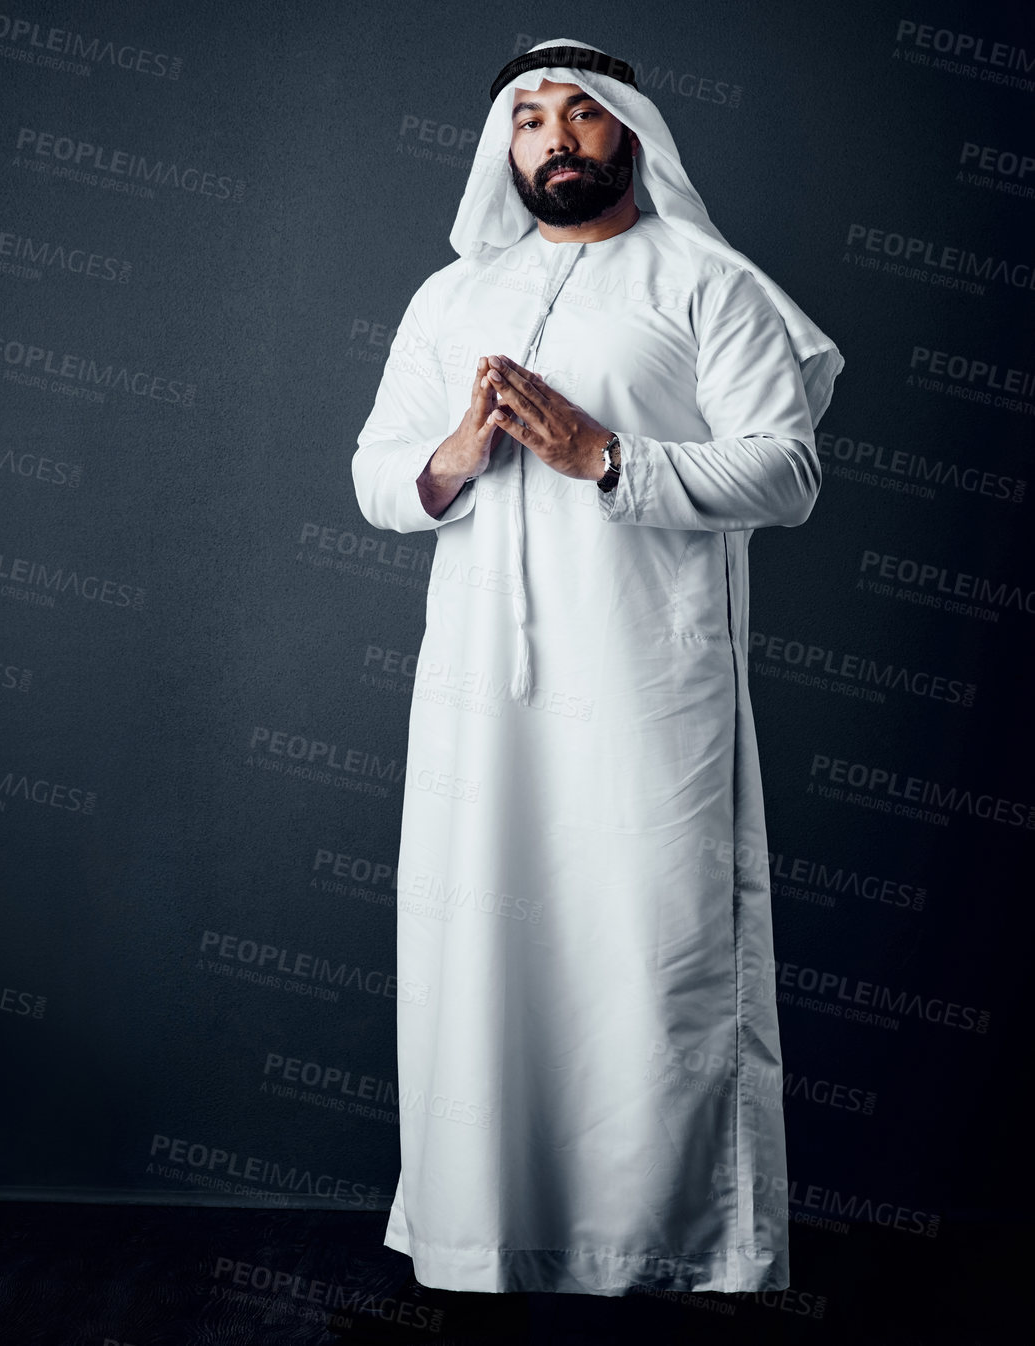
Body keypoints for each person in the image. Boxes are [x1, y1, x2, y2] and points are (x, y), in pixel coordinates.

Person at [350, 38, 842, 1298]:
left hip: (645, 688)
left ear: (627, 133)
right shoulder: (445, 299)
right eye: (527, 120)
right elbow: (373, 479)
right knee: (478, 961)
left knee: (651, 956)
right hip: (479, 693)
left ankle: (682, 1254)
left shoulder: (705, 283)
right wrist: (455, 451)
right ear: (500, 147)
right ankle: (480, 1248)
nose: (553, 139)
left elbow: (784, 471)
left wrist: (603, 457)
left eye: (578, 116)